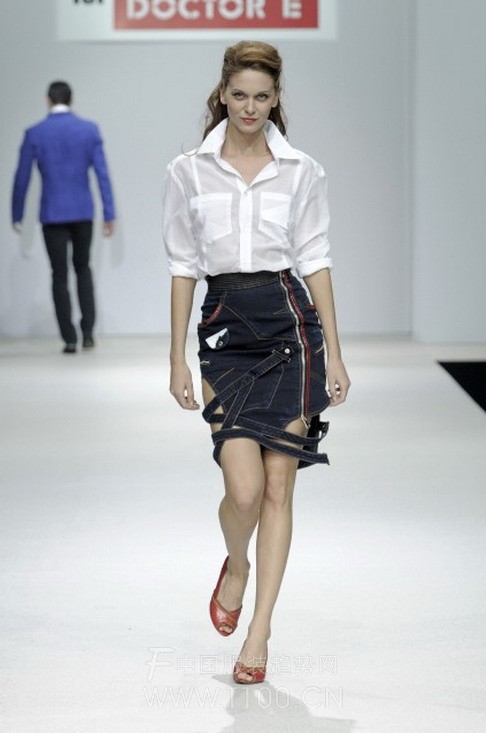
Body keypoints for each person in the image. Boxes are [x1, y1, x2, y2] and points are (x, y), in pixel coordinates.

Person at [162, 41, 350, 685]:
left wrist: (336, 353)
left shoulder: (302, 170)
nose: (250, 107)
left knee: (277, 486)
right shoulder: (188, 170)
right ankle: (236, 563)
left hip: (290, 328)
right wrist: (177, 358)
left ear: (276, 99)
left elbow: (315, 257)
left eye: (262, 96)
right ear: (222, 95)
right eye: (239, 95)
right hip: (225, 330)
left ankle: (260, 633)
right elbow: (183, 266)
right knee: (241, 491)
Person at [11, 81, 115, 353]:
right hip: (82, 212)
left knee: (58, 274)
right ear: (71, 99)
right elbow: (102, 174)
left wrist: (17, 212)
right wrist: (109, 213)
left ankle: (69, 338)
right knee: (83, 268)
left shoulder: (35, 133)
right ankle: (88, 333)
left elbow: (22, 177)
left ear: (48, 100)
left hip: (52, 213)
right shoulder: (88, 130)